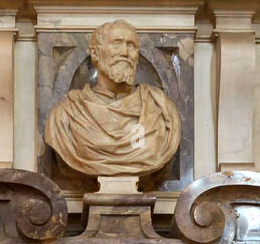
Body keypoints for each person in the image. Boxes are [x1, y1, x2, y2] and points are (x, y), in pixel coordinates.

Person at [43, 19, 181, 178]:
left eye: (131, 46)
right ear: (95, 54)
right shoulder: (67, 113)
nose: (125, 52)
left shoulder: (160, 108)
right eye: (117, 44)